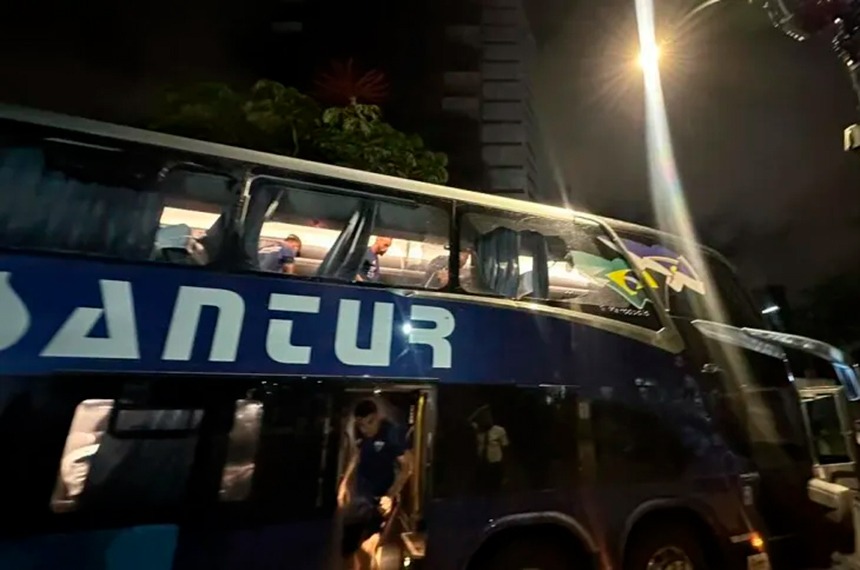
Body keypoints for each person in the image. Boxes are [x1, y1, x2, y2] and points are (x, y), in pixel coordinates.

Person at [339, 399, 413, 570]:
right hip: (361, 496)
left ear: (377, 417)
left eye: (369, 423)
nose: (366, 429)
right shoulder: (361, 434)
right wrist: (344, 483)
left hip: (381, 499)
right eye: (361, 425)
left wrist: (391, 495)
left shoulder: (391, 433)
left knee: (371, 546)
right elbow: (357, 455)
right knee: (349, 548)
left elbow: (408, 466)